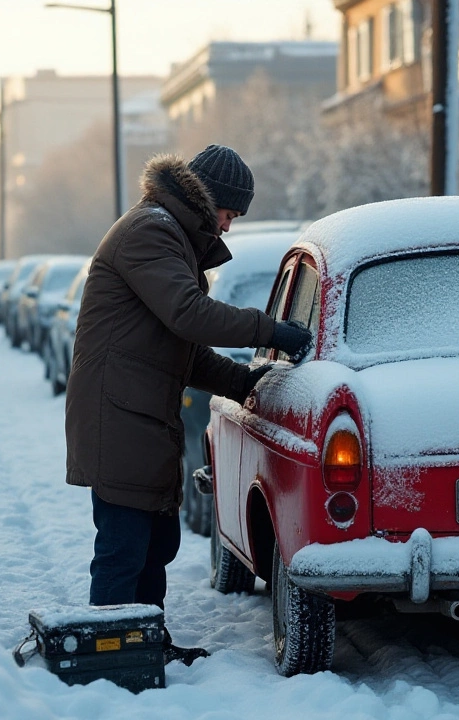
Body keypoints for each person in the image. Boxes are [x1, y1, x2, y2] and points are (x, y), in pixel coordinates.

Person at [64, 145, 311, 665]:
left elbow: (187, 352)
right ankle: (110, 660)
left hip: (140, 416)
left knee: (155, 545)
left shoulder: (169, 236)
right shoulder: (150, 232)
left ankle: (144, 645)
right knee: (124, 548)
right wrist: (271, 331)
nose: (228, 227)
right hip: (120, 417)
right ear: (208, 200)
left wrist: (245, 381)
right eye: (229, 213)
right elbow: (188, 314)